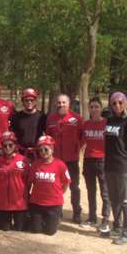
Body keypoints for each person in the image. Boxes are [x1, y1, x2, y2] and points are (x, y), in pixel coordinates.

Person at [103, 92, 127, 245]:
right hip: (109, 165)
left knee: (125, 200)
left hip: (123, 167)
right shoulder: (109, 119)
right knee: (114, 199)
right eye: (114, 103)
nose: (117, 105)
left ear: (125, 103)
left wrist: (124, 155)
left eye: (120, 102)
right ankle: (117, 227)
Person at [46, 94, 84, 223]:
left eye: (64, 102)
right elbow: (48, 138)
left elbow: (82, 137)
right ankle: (58, 210)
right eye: (59, 102)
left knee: (74, 187)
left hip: (71, 159)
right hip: (56, 160)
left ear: (69, 104)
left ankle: (77, 212)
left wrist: (76, 148)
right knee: (56, 186)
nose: (61, 105)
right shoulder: (51, 119)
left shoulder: (77, 118)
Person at [27, 135, 71, 236]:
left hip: (54, 204)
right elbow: (30, 182)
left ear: (52, 149)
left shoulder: (60, 164)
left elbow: (66, 182)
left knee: (50, 232)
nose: (43, 152)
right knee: (36, 230)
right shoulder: (35, 165)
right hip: (37, 203)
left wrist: (59, 194)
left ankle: (54, 218)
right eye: (40, 150)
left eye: (46, 149)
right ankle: (40, 219)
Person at [81, 96, 111, 230]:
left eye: (96, 107)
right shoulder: (86, 124)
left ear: (101, 108)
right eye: (91, 107)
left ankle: (105, 219)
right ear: (88, 109)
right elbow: (82, 141)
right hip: (88, 159)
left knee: (105, 191)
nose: (94, 109)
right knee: (91, 191)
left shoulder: (106, 124)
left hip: (102, 160)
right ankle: (92, 217)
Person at [0, 131, 30, 231]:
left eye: (10, 145)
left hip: (19, 203)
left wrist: (25, 196)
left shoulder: (24, 160)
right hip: (4, 203)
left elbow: (28, 180)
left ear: (15, 145)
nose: (8, 147)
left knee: (19, 229)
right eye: (5, 145)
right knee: (4, 228)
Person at [10, 88, 47, 161]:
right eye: (26, 100)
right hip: (20, 152)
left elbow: (47, 134)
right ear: (23, 101)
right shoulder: (16, 117)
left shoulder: (42, 117)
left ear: (35, 101)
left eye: (32, 100)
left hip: (38, 153)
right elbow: (12, 136)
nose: (29, 102)